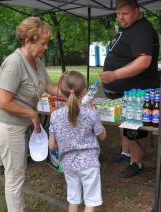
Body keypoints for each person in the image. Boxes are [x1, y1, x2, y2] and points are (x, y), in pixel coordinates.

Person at [0, 17, 60, 212]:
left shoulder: (36, 61)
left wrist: (72, 93)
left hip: (19, 126)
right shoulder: (14, 63)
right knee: (15, 176)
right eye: (43, 43)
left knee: (18, 172)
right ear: (28, 41)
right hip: (7, 126)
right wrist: (32, 113)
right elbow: (4, 102)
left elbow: (50, 86)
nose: (46, 47)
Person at [98, 0, 159, 178]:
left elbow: (143, 61)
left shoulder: (142, 30)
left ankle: (137, 163)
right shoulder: (129, 28)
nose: (120, 18)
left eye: (124, 14)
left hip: (138, 90)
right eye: (118, 14)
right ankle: (126, 154)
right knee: (126, 123)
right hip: (125, 91)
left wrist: (115, 75)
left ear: (136, 11)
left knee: (134, 127)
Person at [48, 71, 107, 212]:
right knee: (90, 201)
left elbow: (51, 145)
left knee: (73, 199)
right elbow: (102, 136)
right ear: (85, 91)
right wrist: (96, 116)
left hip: (68, 164)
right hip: (89, 163)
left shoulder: (55, 115)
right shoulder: (91, 113)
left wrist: (63, 143)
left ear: (62, 91)